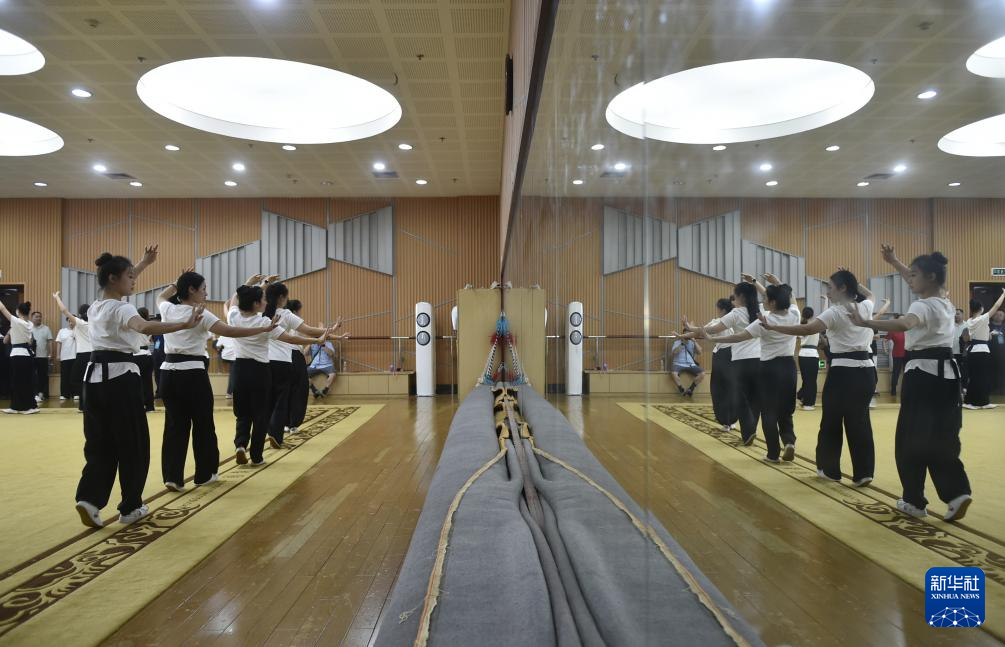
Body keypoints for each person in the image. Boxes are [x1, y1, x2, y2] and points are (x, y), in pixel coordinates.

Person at [73, 245, 206, 528]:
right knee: (132, 443)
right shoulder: (123, 308)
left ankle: (89, 499)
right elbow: (144, 327)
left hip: (93, 378)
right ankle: (131, 506)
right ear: (113, 278)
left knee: (99, 442)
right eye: (130, 276)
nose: (134, 281)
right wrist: (183, 324)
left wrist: (145, 263)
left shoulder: (96, 306)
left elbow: (122, 278)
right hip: (120, 377)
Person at [849, 245, 971, 522]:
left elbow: (905, 324)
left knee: (910, 439)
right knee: (942, 436)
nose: (909, 279)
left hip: (922, 375)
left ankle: (914, 501)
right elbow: (916, 279)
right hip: (948, 376)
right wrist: (894, 261)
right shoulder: (945, 301)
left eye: (914, 275)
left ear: (930, 277)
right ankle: (957, 492)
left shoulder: (921, 305)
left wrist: (866, 322)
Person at [156, 270, 282, 491]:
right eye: (203, 289)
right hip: (193, 374)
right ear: (192, 290)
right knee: (203, 425)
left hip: (168, 374)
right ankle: (205, 475)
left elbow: (161, 296)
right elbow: (231, 331)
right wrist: (263, 328)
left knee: (175, 426)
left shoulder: (168, 308)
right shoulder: (201, 314)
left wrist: (177, 283)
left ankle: (172, 477)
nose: (206, 293)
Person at [760, 268, 877, 486]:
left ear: (843, 288)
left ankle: (829, 470)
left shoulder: (834, 312)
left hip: (843, 372)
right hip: (867, 371)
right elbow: (870, 294)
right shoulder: (865, 307)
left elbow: (806, 330)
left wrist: (773, 327)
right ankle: (864, 473)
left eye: (830, 287)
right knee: (860, 421)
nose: (828, 292)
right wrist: (855, 282)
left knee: (832, 420)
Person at [690, 275, 799, 463]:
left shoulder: (764, 320)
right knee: (785, 409)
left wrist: (712, 339)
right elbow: (790, 297)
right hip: (789, 367)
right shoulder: (794, 314)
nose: (763, 300)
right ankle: (789, 440)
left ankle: (773, 453)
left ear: (772, 302)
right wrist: (774, 282)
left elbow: (737, 337)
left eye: (766, 298)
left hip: (769, 368)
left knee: (768, 412)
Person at [226, 275, 328, 467]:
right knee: (261, 413)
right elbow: (291, 339)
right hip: (259, 370)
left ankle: (240, 445)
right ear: (256, 304)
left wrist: (250, 283)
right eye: (263, 299)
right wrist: (316, 340)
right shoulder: (265, 323)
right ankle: (256, 456)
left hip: (239, 369)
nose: (266, 302)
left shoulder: (233, 316)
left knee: (243, 412)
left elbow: (234, 299)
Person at [261, 280, 345, 448]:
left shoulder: (262, 314)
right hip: (282, 361)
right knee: (283, 398)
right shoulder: (285, 314)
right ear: (282, 298)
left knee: (268, 399)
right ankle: (277, 433)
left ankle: (266, 432)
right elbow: (309, 331)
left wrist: (262, 284)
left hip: (263, 361)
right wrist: (332, 330)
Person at [682, 276, 762, 446]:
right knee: (755, 398)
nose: (733, 299)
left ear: (741, 296)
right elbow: (771, 295)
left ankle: (748, 431)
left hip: (741, 360)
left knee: (740, 398)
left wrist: (690, 328)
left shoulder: (737, 313)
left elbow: (712, 329)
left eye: (735, 295)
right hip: (760, 359)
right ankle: (752, 429)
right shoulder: (760, 310)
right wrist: (756, 283)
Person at [963, 290, 1005, 409]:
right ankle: (974, 402)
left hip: (975, 350)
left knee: (977, 376)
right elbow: (996, 306)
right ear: (981, 308)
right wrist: (1003, 295)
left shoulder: (969, 321)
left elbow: (972, 337)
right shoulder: (982, 319)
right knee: (981, 377)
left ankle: (980, 401)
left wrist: (990, 333)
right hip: (981, 351)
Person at [52, 298, 93, 410]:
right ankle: (84, 404)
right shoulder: (93, 324)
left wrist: (57, 298)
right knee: (86, 380)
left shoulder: (80, 323)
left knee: (75, 379)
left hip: (83, 355)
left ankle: (85, 403)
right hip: (92, 355)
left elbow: (64, 310)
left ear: (80, 314)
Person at [706, 297, 740, 431]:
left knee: (721, 388)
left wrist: (688, 329)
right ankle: (730, 419)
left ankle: (727, 420)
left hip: (725, 355)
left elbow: (702, 330)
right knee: (730, 388)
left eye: (718, 308)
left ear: (723, 310)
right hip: (732, 355)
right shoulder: (736, 320)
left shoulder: (720, 322)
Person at [0, 301, 39, 414]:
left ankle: (25, 407)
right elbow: (30, 342)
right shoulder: (29, 324)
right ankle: (16, 406)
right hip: (22, 354)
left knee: (20, 382)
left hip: (19, 355)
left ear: (18, 312)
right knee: (19, 381)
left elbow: (2, 309)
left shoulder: (18, 322)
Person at [796, 307, 820, 411]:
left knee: (806, 379)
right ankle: (808, 403)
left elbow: (797, 336)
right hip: (813, 355)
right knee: (811, 380)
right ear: (813, 314)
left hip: (803, 355)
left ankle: (803, 398)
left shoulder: (802, 326)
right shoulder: (816, 325)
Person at [134, 306, 155, 412]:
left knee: (136, 383)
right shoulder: (149, 325)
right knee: (148, 382)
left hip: (136, 355)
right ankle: (150, 405)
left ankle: (139, 405)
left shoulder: (135, 325)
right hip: (147, 355)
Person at [29, 311, 53, 403]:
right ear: (32, 318)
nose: (38, 318)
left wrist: (50, 354)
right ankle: (33, 394)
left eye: (40, 316)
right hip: (31, 356)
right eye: (36, 316)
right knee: (32, 376)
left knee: (42, 375)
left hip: (43, 356)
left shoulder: (46, 328)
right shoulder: (29, 328)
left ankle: (41, 393)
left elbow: (50, 342)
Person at [55, 319, 77, 401]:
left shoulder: (78, 331)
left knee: (75, 376)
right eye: (70, 321)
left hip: (75, 356)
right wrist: (58, 355)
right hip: (64, 357)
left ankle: (76, 393)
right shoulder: (62, 331)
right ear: (68, 322)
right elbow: (59, 343)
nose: (71, 323)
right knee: (64, 376)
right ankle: (64, 394)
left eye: (73, 321)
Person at [887, 318, 907, 397]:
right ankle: (893, 390)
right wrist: (885, 350)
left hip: (907, 354)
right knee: (896, 372)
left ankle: (906, 390)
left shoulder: (907, 330)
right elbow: (885, 340)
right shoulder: (893, 330)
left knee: (907, 373)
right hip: (897, 354)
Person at [952, 308, 970, 393]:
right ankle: (954, 389)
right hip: (952, 352)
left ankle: (964, 388)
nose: (956, 316)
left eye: (958, 314)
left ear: (962, 315)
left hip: (963, 353)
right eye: (955, 314)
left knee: (964, 371)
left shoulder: (967, 325)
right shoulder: (950, 325)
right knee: (953, 372)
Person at [216, 334, 236, 399]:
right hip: (234, 357)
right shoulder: (237, 334)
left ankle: (219, 371)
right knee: (233, 375)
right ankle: (229, 392)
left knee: (232, 374)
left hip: (225, 357)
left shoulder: (223, 335)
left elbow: (217, 346)